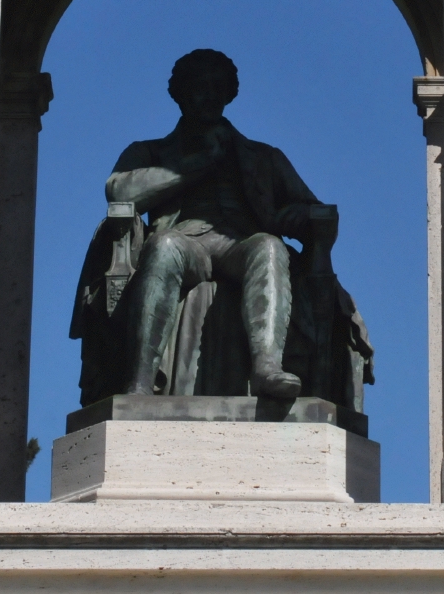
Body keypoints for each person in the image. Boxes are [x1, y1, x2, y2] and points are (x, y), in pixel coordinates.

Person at [104, 49, 324, 399]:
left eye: (216, 87)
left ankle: (267, 367)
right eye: (198, 87)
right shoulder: (152, 151)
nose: (207, 95)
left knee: (269, 245)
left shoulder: (263, 156)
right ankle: (140, 382)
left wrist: (301, 216)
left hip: (240, 243)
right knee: (163, 246)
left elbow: (316, 212)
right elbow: (119, 191)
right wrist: (198, 164)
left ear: (228, 94)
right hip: (184, 241)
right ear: (179, 94)